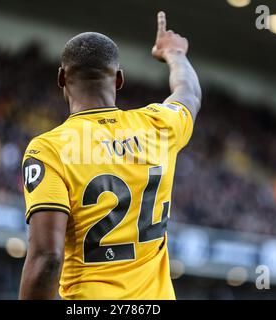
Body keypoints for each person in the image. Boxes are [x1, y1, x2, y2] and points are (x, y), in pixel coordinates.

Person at [19, 11, 201, 300]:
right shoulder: (159, 126)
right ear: (118, 80)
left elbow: (47, 258)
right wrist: (175, 53)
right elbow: (188, 92)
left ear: (61, 77)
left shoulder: (48, 149)